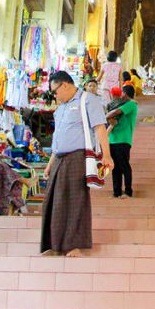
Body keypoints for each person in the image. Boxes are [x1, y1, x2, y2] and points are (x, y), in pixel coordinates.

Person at [40, 71, 113, 257]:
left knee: (75, 201)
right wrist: (50, 164)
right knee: (53, 202)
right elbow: (58, 139)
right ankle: (54, 244)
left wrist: (107, 155)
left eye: (55, 92)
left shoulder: (88, 100)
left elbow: (99, 128)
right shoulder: (61, 108)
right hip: (59, 159)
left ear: (64, 85)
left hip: (77, 158)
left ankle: (73, 246)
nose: (54, 96)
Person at [106, 85, 138, 199]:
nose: (120, 95)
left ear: (125, 93)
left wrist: (105, 116)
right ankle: (117, 191)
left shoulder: (131, 104)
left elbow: (116, 112)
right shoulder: (122, 103)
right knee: (115, 167)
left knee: (124, 166)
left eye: (122, 93)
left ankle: (128, 191)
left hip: (123, 139)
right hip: (113, 139)